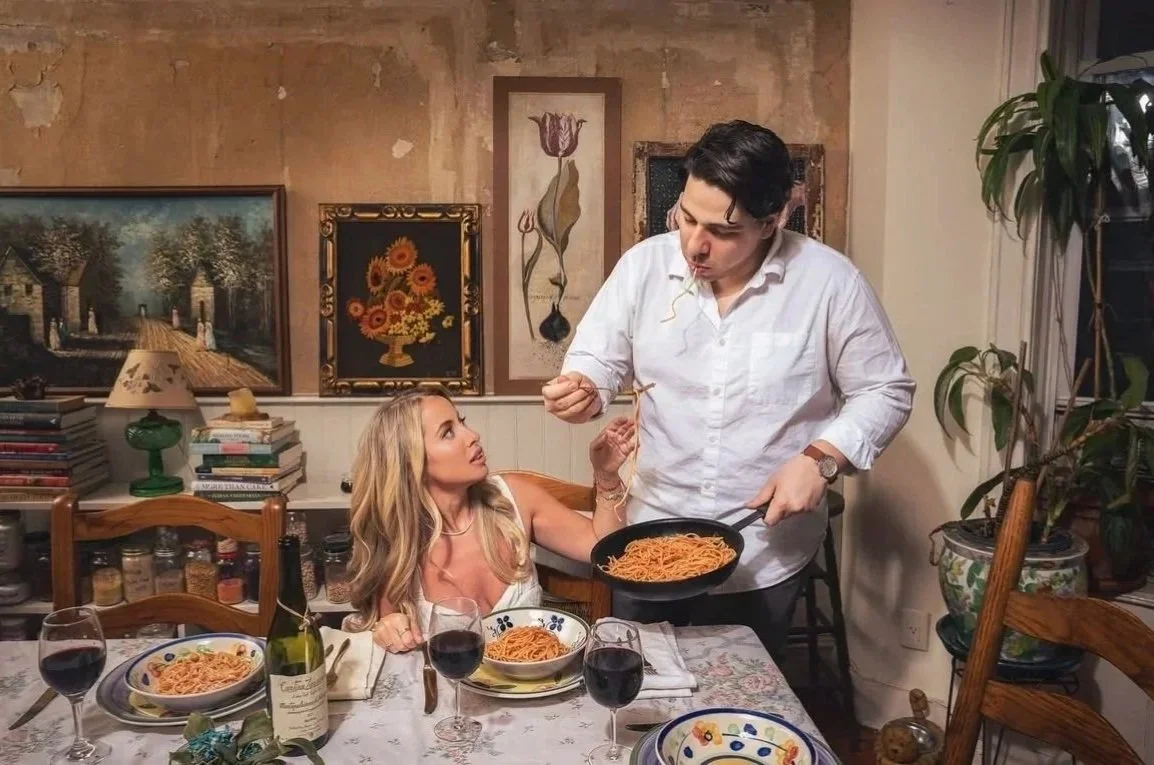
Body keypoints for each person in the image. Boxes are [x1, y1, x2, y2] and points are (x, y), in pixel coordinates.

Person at [541, 119, 915, 662]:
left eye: (722, 230)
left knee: (742, 713)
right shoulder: (643, 268)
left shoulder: (829, 283)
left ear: (775, 218)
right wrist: (584, 389)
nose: (695, 243)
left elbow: (886, 389)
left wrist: (821, 459)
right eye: (687, 218)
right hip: (650, 537)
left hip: (764, 552)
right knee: (638, 699)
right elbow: (598, 362)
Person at [345, 385, 636, 654]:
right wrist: (388, 628)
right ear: (411, 463)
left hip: (533, 687)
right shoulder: (398, 545)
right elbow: (391, 634)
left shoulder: (516, 498)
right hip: (452, 702)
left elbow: (601, 547)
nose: (472, 435)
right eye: (448, 432)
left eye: (462, 422)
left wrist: (607, 477)